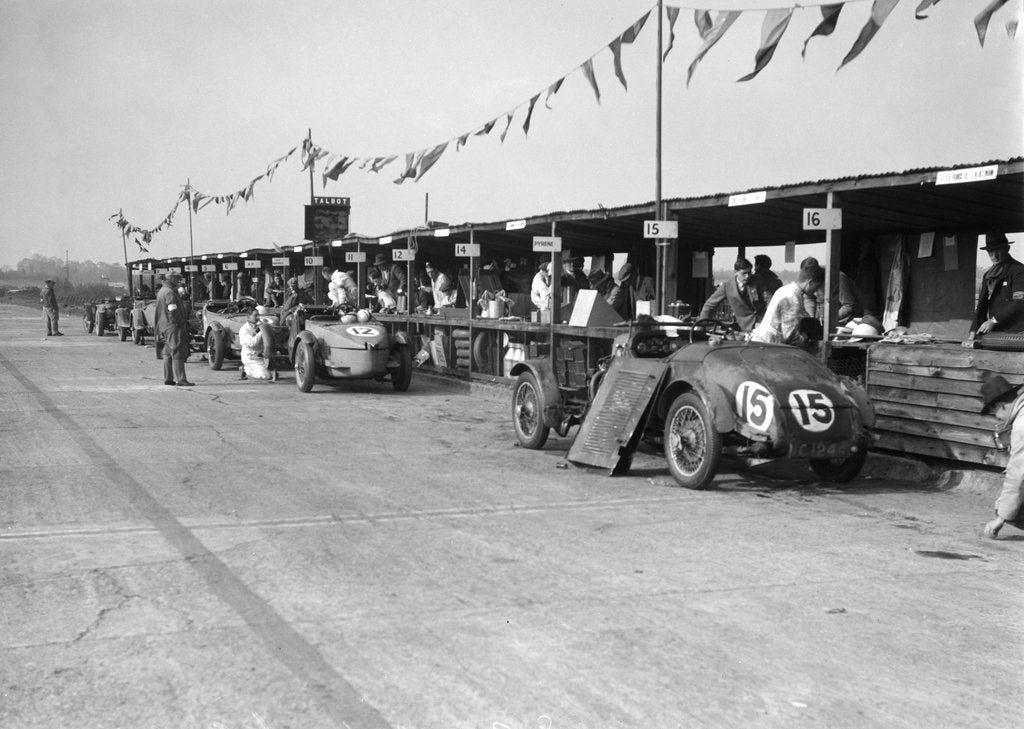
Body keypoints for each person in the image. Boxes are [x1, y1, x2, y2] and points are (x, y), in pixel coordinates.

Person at [979, 372, 1024, 539]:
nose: (997, 418)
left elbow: (1018, 475)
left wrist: (1001, 518)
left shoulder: (1021, 425)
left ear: (1000, 405)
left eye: (994, 412)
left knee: (1006, 508)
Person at [964, 231, 1024, 347]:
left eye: (998, 250)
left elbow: (1019, 302)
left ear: (1007, 249)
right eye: (990, 251)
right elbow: (981, 305)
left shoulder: (1019, 270)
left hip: (1017, 332)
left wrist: (994, 320)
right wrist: (972, 334)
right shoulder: (988, 275)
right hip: (997, 332)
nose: (994, 256)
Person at [750, 257, 825, 345]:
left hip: (766, 343)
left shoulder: (788, 290)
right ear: (810, 282)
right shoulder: (791, 297)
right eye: (816, 287)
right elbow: (789, 335)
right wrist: (804, 338)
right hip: (769, 346)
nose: (815, 292)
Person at [154, 272, 193, 386]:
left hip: (164, 326)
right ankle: (180, 379)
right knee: (177, 350)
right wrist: (181, 323)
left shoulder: (162, 291)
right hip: (173, 326)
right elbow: (173, 310)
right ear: (171, 279)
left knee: (167, 352)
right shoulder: (170, 293)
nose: (178, 281)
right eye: (176, 279)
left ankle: (168, 378)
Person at [698, 258, 759, 331]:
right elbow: (709, 305)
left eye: (749, 273)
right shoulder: (727, 287)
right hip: (745, 327)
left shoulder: (759, 282)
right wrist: (701, 326)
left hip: (762, 323)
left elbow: (769, 300)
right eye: (744, 273)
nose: (747, 276)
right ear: (735, 272)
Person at [236, 309, 278, 381]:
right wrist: (262, 331)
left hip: (260, 356)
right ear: (248, 317)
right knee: (266, 376)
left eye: (258, 315)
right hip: (250, 357)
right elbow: (251, 343)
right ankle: (245, 369)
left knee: (269, 373)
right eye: (255, 315)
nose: (258, 317)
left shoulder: (258, 326)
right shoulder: (244, 329)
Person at [749, 254, 783, 319]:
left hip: (758, 316)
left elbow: (753, 299)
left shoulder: (754, 280)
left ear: (758, 266)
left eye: (755, 266)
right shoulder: (778, 281)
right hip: (775, 314)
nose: (754, 268)